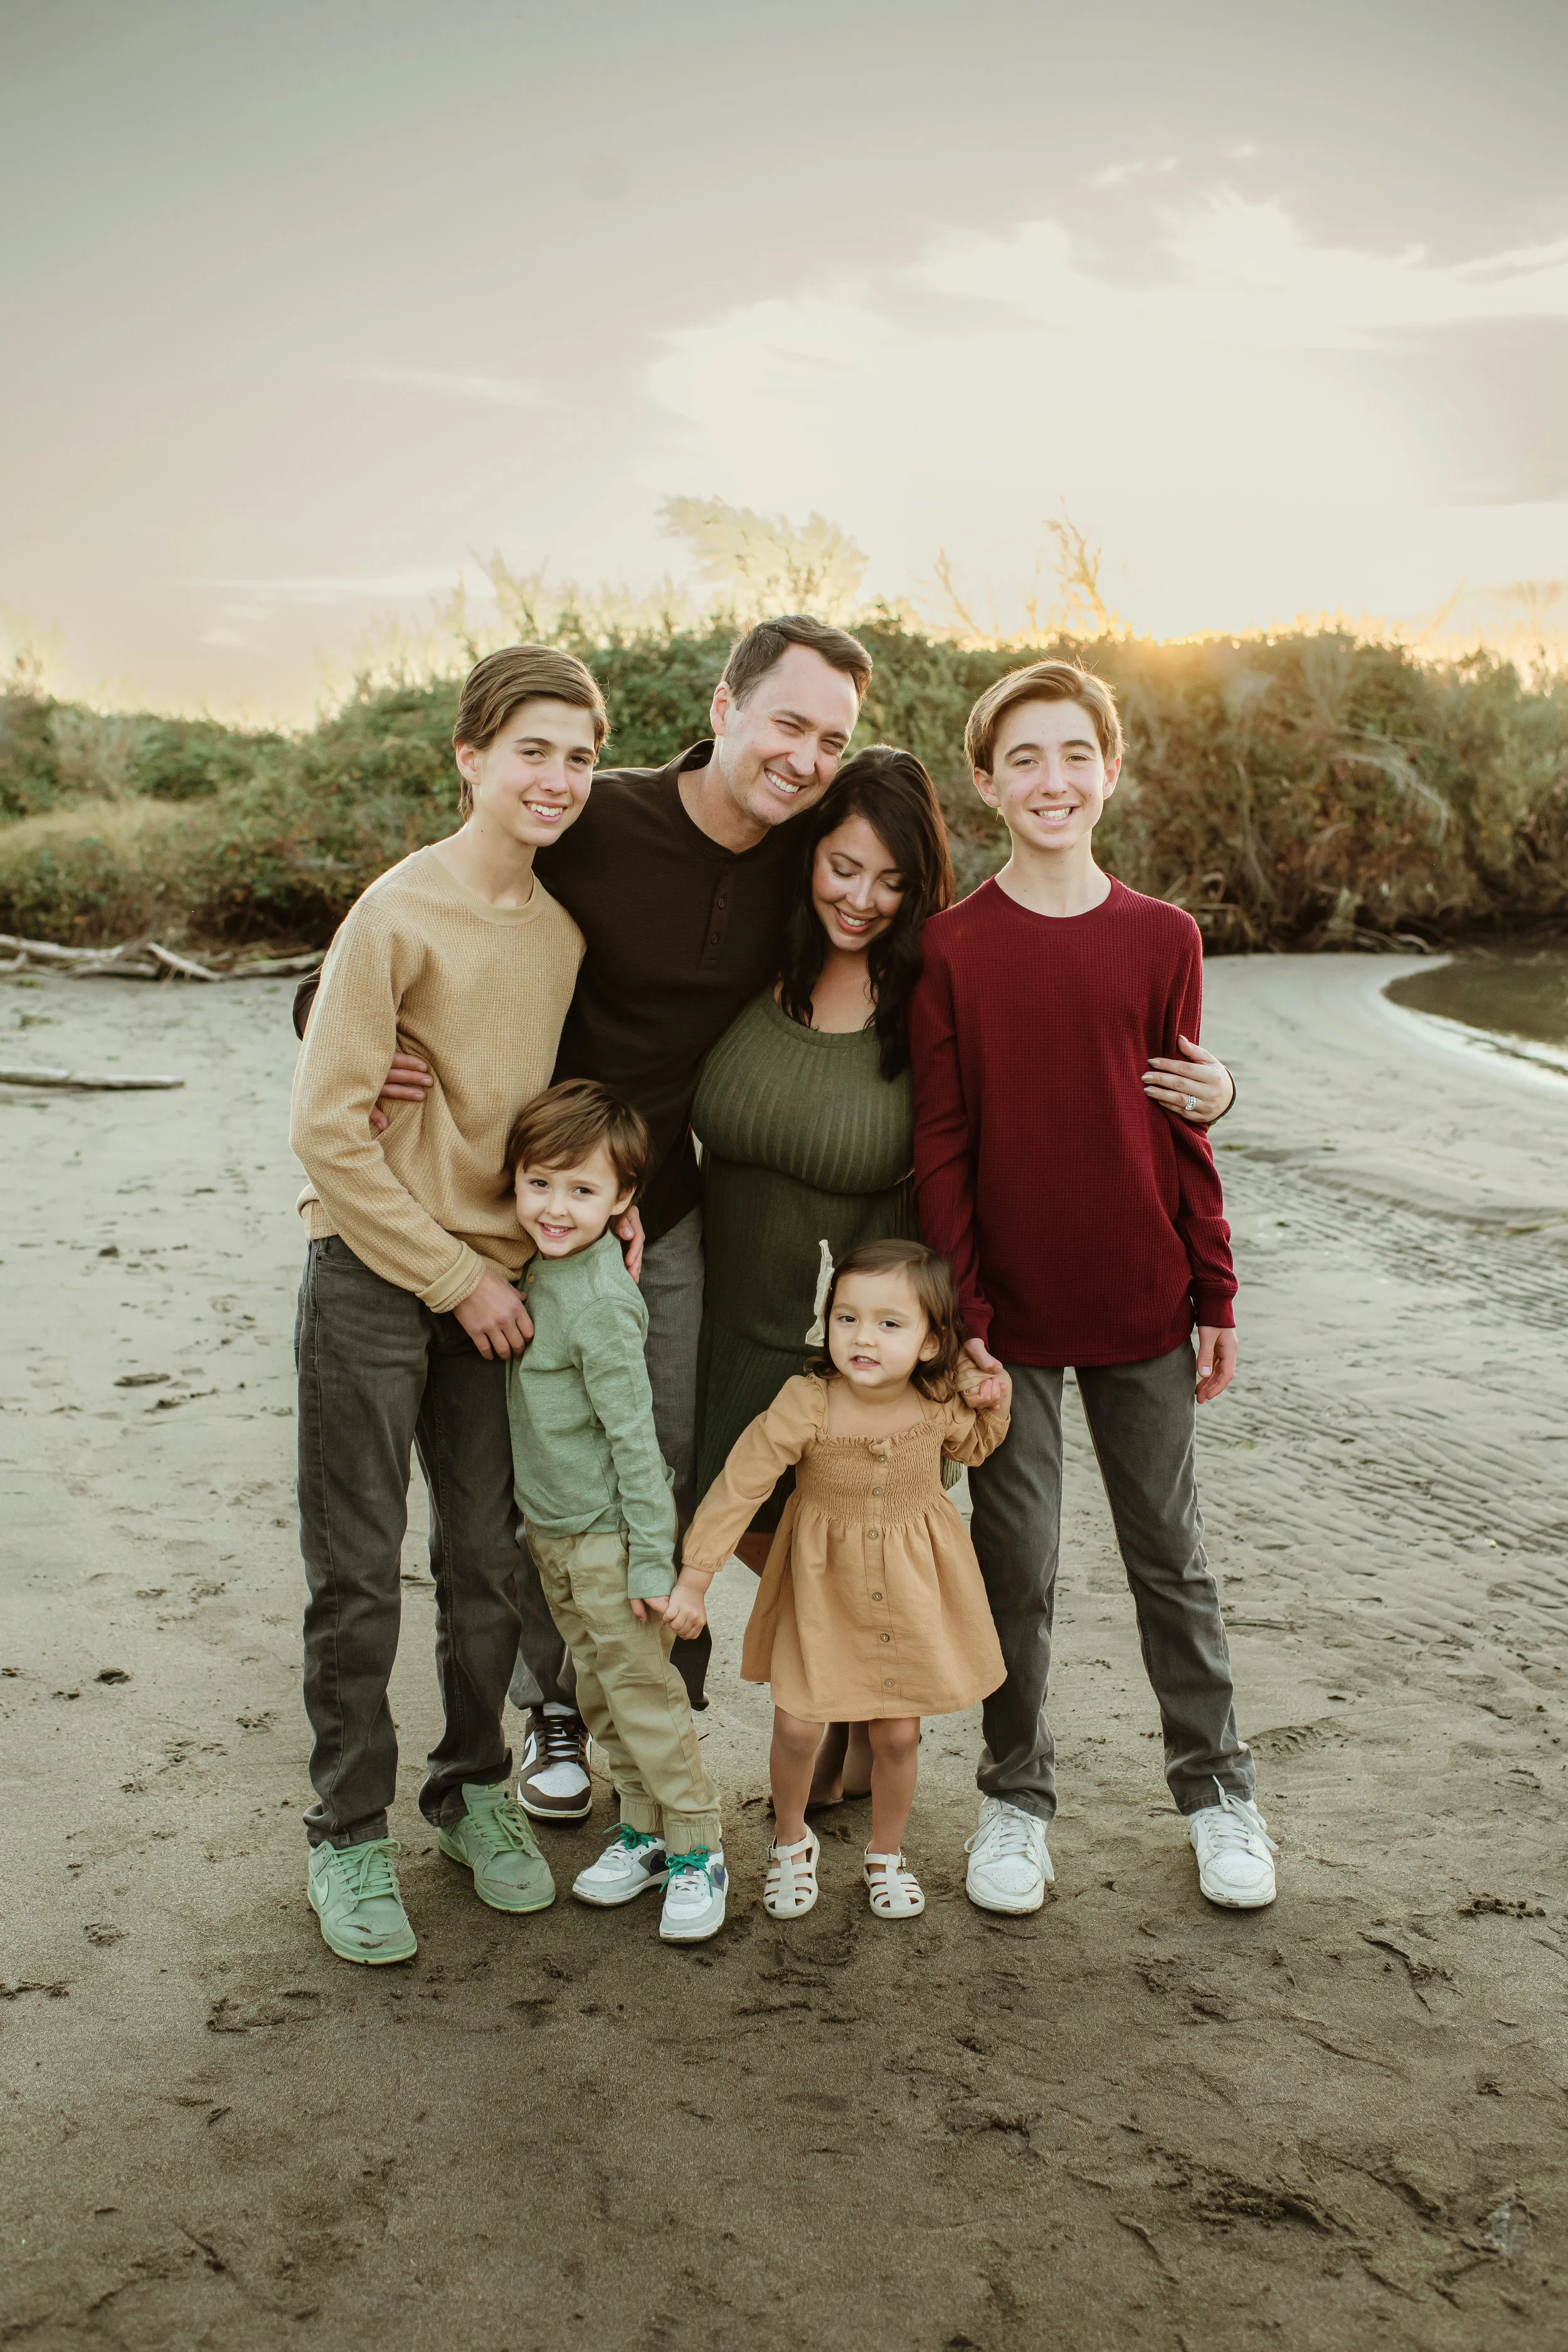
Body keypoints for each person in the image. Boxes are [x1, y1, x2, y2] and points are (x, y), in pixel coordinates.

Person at [910, 658, 1279, 1918]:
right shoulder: (951, 949)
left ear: (1109, 772)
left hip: (1141, 1296)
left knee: (1167, 1557)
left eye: (1075, 755)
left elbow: (1186, 1125)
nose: (1051, 779)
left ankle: (1217, 1791)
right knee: (1011, 1562)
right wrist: (964, 1321)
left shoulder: (1160, 937)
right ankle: (1014, 1800)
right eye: (1023, 759)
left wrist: (1213, 1290)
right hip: (1005, 1319)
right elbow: (942, 1146)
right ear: (984, 783)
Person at [289, 644, 603, 1966]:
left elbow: (549, 1112)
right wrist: (452, 1274)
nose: (558, 778)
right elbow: (328, 1130)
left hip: (497, 1288)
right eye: (532, 749)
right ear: (469, 757)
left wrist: (598, 1201)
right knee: (357, 1577)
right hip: (376, 1276)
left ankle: (472, 1787)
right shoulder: (393, 915)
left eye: (581, 757)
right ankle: (346, 1836)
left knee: (485, 1565)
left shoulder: (566, 935)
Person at [689, 743, 952, 1808]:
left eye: (893, 881)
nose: (864, 899)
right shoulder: (754, 954)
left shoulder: (933, 990)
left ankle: (851, 1723)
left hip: (856, 1341)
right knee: (733, 1519)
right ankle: (841, 1707)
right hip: (721, 1313)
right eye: (845, 867)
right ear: (810, 856)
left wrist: (1205, 1096)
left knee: (848, 1540)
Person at [681, 1240, 1010, 1920]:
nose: (863, 1337)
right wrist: (694, 1577)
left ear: (929, 1344)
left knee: (896, 1736)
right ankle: (789, 1842)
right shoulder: (806, 1403)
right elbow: (739, 1487)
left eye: (890, 1324)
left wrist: (991, 1398)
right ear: (824, 1324)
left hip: (915, 1593)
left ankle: (886, 1855)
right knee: (799, 1727)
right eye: (847, 1318)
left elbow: (976, 1446)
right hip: (820, 1595)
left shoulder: (935, 1402)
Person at [502, 1080, 728, 1944]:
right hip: (555, 1537)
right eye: (540, 1183)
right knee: (597, 1694)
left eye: (584, 1189)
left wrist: (647, 1557)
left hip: (606, 1540)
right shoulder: (537, 1266)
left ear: (625, 1199)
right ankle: (640, 1832)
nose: (557, 1207)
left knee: (642, 1695)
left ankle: (699, 1846)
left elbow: (639, 1440)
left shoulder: (599, 1298)